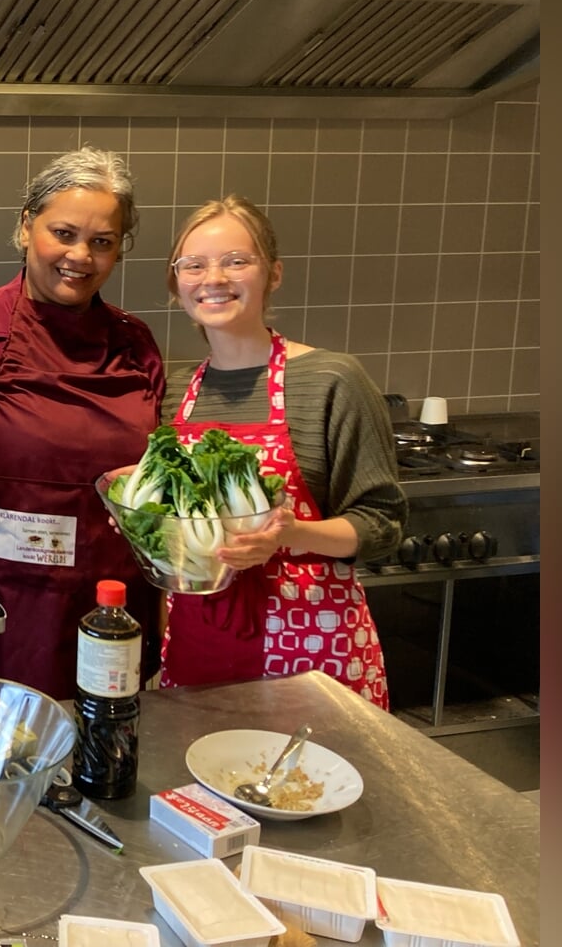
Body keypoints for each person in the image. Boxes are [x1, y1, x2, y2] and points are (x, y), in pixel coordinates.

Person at [0, 148, 167, 700]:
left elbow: (153, 492)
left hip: (115, 616)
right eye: (63, 233)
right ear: (25, 226)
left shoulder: (137, 346)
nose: (80, 256)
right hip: (4, 619)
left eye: (102, 242)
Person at [158, 195, 404, 707]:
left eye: (237, 261)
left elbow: (383, 523)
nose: (214, 278)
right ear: (176, 282)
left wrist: (290, 535)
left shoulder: (331, 379)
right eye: (195, 265)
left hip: (312, 649)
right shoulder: (175, 392)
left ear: (272, 275)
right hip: (199, 640)